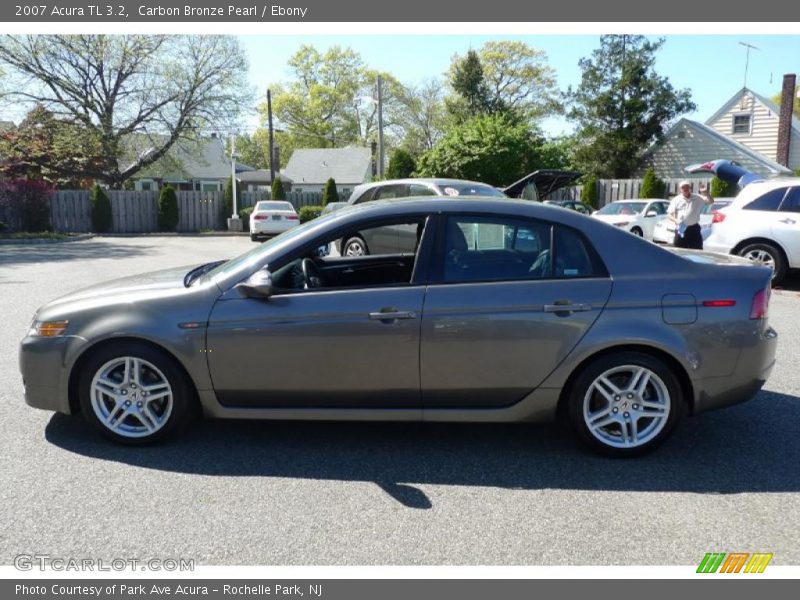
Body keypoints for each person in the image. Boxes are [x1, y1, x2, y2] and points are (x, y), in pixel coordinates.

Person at [667, 180, 713, 249]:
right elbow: (669, 215)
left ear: (690, 188)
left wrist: (706, 193)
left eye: (687, 187)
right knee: (679, 250)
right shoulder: (676, 200)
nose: (685, 189)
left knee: (697, 250)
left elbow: (711, 201)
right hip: (681, 229)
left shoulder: (698, 197)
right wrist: (676, 221)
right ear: (680, 189)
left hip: (694, 228)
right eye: (683, 187)